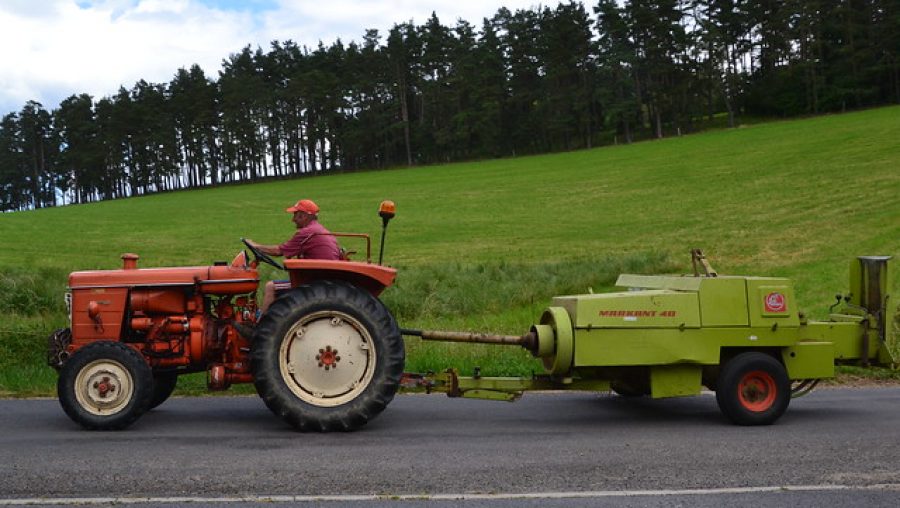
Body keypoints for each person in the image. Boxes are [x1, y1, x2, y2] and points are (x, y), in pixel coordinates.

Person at [244, 198, 341, 314]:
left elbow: (278, 251)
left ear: (304, 216)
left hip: (316, 281)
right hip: (322, 277)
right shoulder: (320, 229)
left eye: (295, 215)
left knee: (271, 287)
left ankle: (261, 325)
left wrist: (255, 246)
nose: (293, 219)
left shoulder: (307, 233)